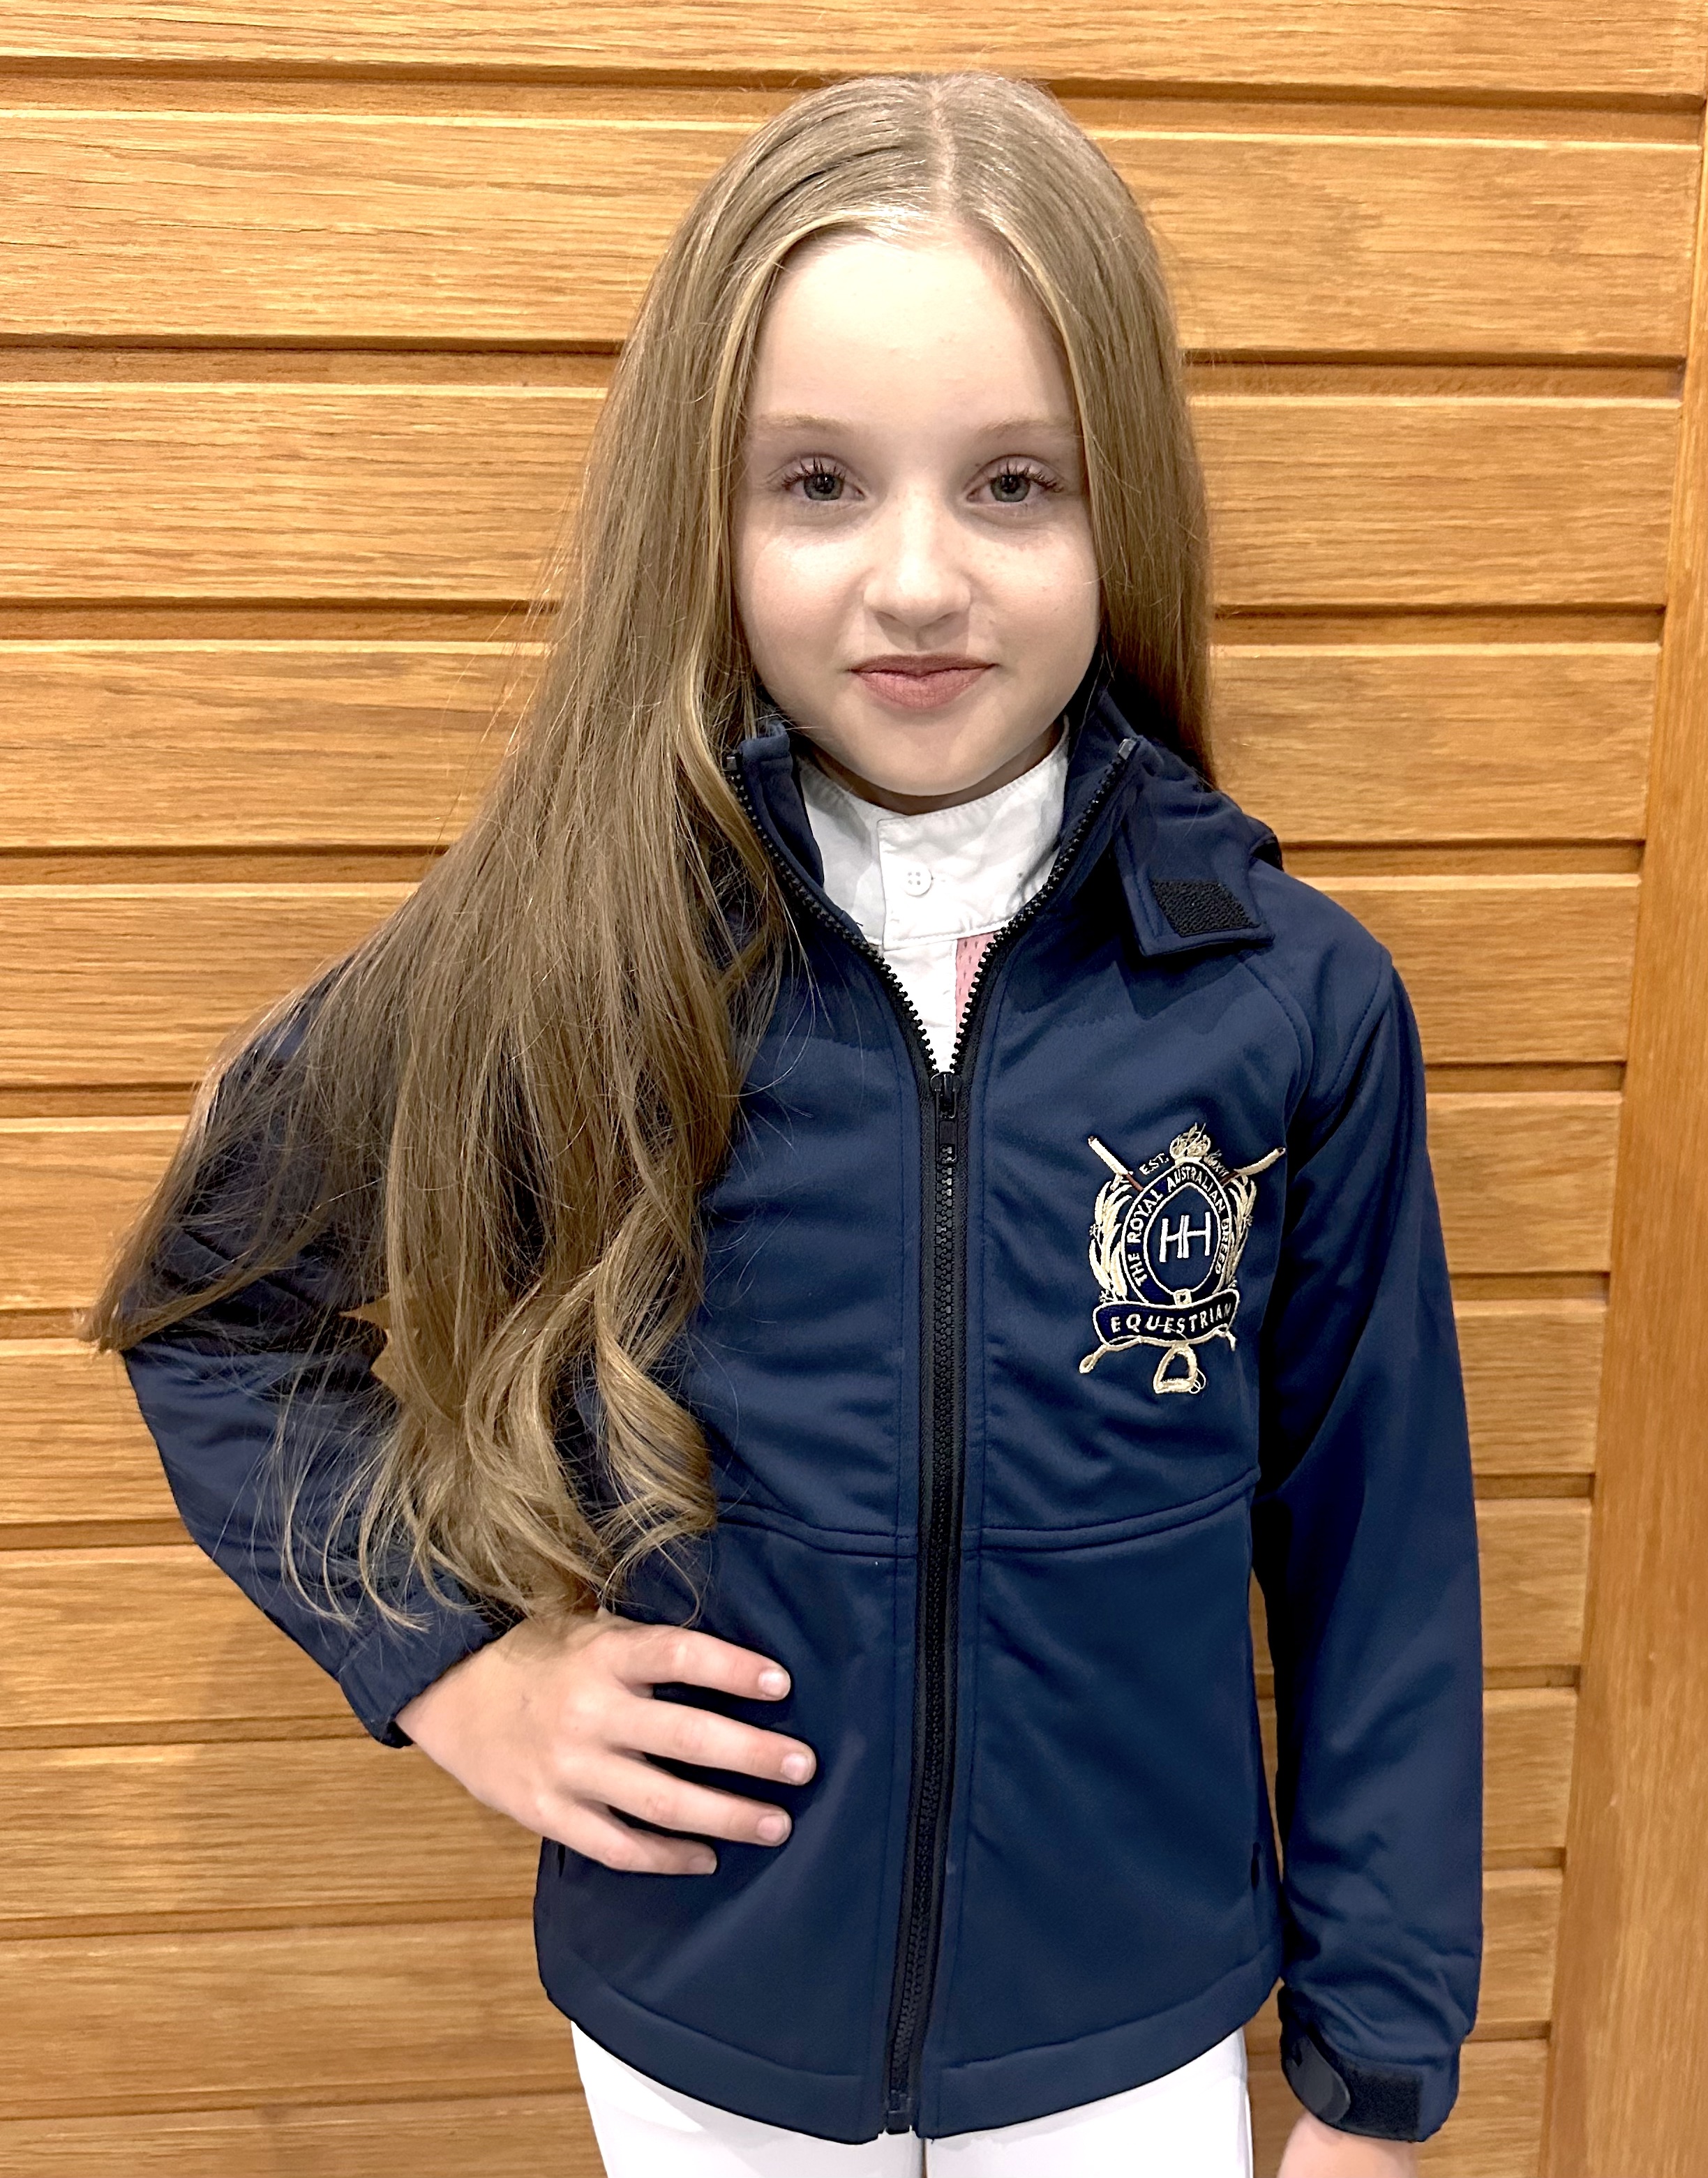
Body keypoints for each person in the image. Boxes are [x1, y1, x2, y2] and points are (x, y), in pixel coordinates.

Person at [84, 70, 1483, 2178]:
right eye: (818, 482)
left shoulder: (1286, 1000)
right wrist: (458, 1670)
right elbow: (216, 1308)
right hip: (702, 2032)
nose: (918, 578)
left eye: (1015, 483)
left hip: (1129, 2039)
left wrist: (1374, 2085)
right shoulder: (565, 945)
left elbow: (1382, 1563)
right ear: (705, 506)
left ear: (1124, 505)